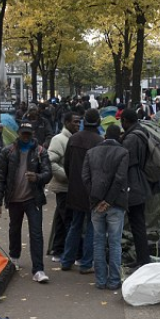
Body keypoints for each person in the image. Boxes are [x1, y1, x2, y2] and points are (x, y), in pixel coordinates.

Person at [0, 122, 53, 283]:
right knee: (14, 228)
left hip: (33, 199)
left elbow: (48, 173)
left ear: (32, 134)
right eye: (23, 133)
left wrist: (37, 177)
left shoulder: (40, 152)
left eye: (28, 134)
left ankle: (38, 269)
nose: (26, 136)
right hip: (14, 199)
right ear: (18, 134)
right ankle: (14, 257)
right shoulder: (7, 152)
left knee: (36, 233)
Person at [83, 125, 129, 290]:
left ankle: (100, 280)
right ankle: (114, 280)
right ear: (119, 137)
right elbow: (120, 178)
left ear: (104, 136)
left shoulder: (91, 153)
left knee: (98, 241)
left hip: (96, 205)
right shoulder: (123, 153)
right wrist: (108, 200)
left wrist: (96, 199)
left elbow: (86, 178)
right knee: (115, 242)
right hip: (116, 204)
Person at [62, 109, 104, 273]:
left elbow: (67, 164)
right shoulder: (100, 141)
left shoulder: (73, 139)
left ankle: (67, 260)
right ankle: (86, 263)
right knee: (92, 227)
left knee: (75, 225)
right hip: (92, 191)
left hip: (75, 189)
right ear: (98, 122)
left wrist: (73, 180)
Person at [119, 109, 152, 268]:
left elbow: (125, 162)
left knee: (137, 223)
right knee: (138, 222)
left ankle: (143, 260)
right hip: (141, 182)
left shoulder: (131, 138)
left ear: (125, 120)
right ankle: (142, 258)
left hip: (133, 184)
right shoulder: (143, 132)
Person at [46, 112, 78, 261]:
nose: (77, 125)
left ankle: (58, 249)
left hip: (66, 186)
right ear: (66, 122)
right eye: (74, 122)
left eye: (79, 122)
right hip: (63, 186)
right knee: (67, 219)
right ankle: (67, 252)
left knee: (60, 218)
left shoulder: (71, 139)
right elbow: (50, 161)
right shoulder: (59, 139)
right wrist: (66, 175)